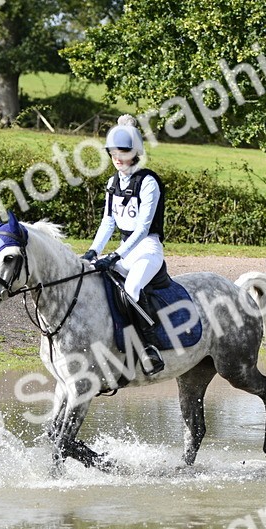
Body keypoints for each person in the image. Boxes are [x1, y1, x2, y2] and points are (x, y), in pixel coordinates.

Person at [82, 115, 167, 375]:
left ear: (136, 152)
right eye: (113, 152)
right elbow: (108, 223)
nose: (117, 157)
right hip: (124, 250)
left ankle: (148, 347)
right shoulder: (112, 183)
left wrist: (116, 255)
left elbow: (142, 228)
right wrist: (94, 251)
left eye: (124, 151)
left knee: (130, 288)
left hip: (147, 249)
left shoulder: (148, 182)